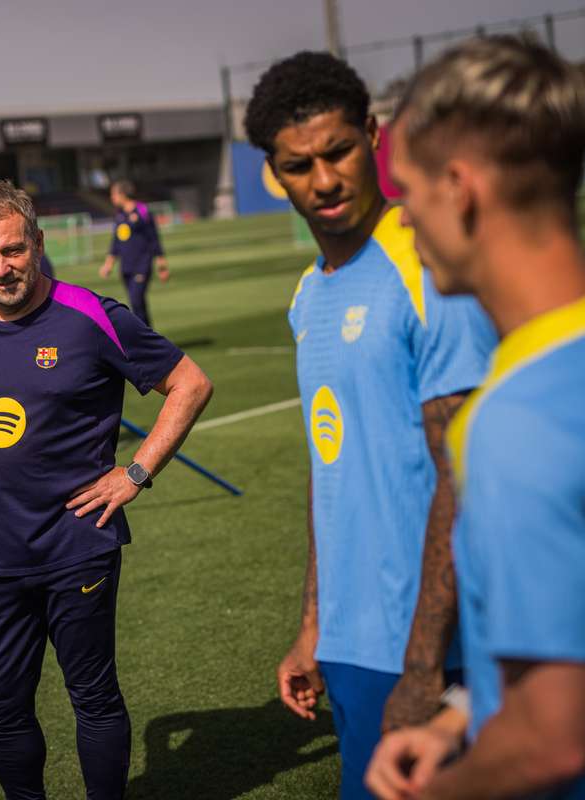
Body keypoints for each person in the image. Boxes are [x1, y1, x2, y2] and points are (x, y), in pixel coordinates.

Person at [365, 35, 585, 800]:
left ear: (460, 188)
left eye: (407, 191)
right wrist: (456, 717)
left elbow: (548, 744)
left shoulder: (515, 423)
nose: (405, 220)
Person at [243, 51, 496, 798]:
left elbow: (468, 478)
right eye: (298, 165)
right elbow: (335, 467)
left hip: (438, 651)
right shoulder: (306, 297)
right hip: (354, 646)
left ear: (374, 136)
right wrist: (315, 624)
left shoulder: (430, 270)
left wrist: (425, 672)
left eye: (338, 151)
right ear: (273, 174)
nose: (323, 181)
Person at [0, 180, 212, 799]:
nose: (0, 269)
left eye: (13, 250)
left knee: (94, 698)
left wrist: (135, 472)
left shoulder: (92, 316)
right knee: (1, 705)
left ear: (39, 244)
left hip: (77, 548)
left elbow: (189, 384)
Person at [99, 180, 169, 326]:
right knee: (136, 304)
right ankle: (149, 337)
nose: (112, 198)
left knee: (136, 301)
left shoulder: (142, 211)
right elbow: (116, 242)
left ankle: (144, 338)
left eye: (114, 194)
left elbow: (154, 238)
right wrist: (108, 264)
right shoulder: (120, 215)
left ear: (123, 194)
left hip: (141, 265)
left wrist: (161, 263)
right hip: (126, 267)